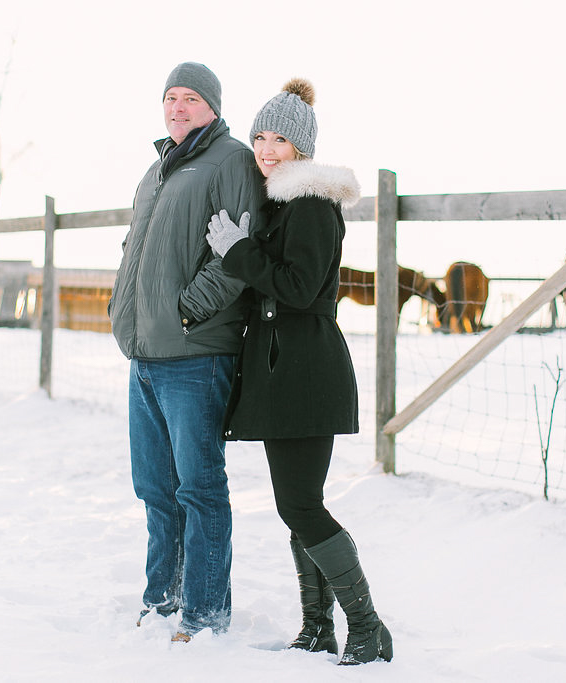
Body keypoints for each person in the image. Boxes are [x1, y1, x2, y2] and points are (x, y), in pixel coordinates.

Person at [205, 78, 393, 666]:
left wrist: (240, 252)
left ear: (301, 149)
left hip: (306, 370)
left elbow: (298, 286)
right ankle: (318, 628)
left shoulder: (310, 203)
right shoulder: (284, 204)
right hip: (284, 372)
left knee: (300, 506)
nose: (265, 149)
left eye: (280, 139)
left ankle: (367, 628)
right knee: (298, 502)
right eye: (259, 136)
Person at [108, 62, 261, 641]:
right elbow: (134, 251)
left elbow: (235, 255)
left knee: (198, 489)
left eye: (190, 99)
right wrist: (123, 314)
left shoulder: (230, 162)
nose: (177, 108)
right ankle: (162, 602)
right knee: (154, 489)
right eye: (170, 98)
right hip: (145, 354)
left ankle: (202, 615)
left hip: (196, 355)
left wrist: (185, 312)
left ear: (213, 107)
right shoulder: (156, 171)